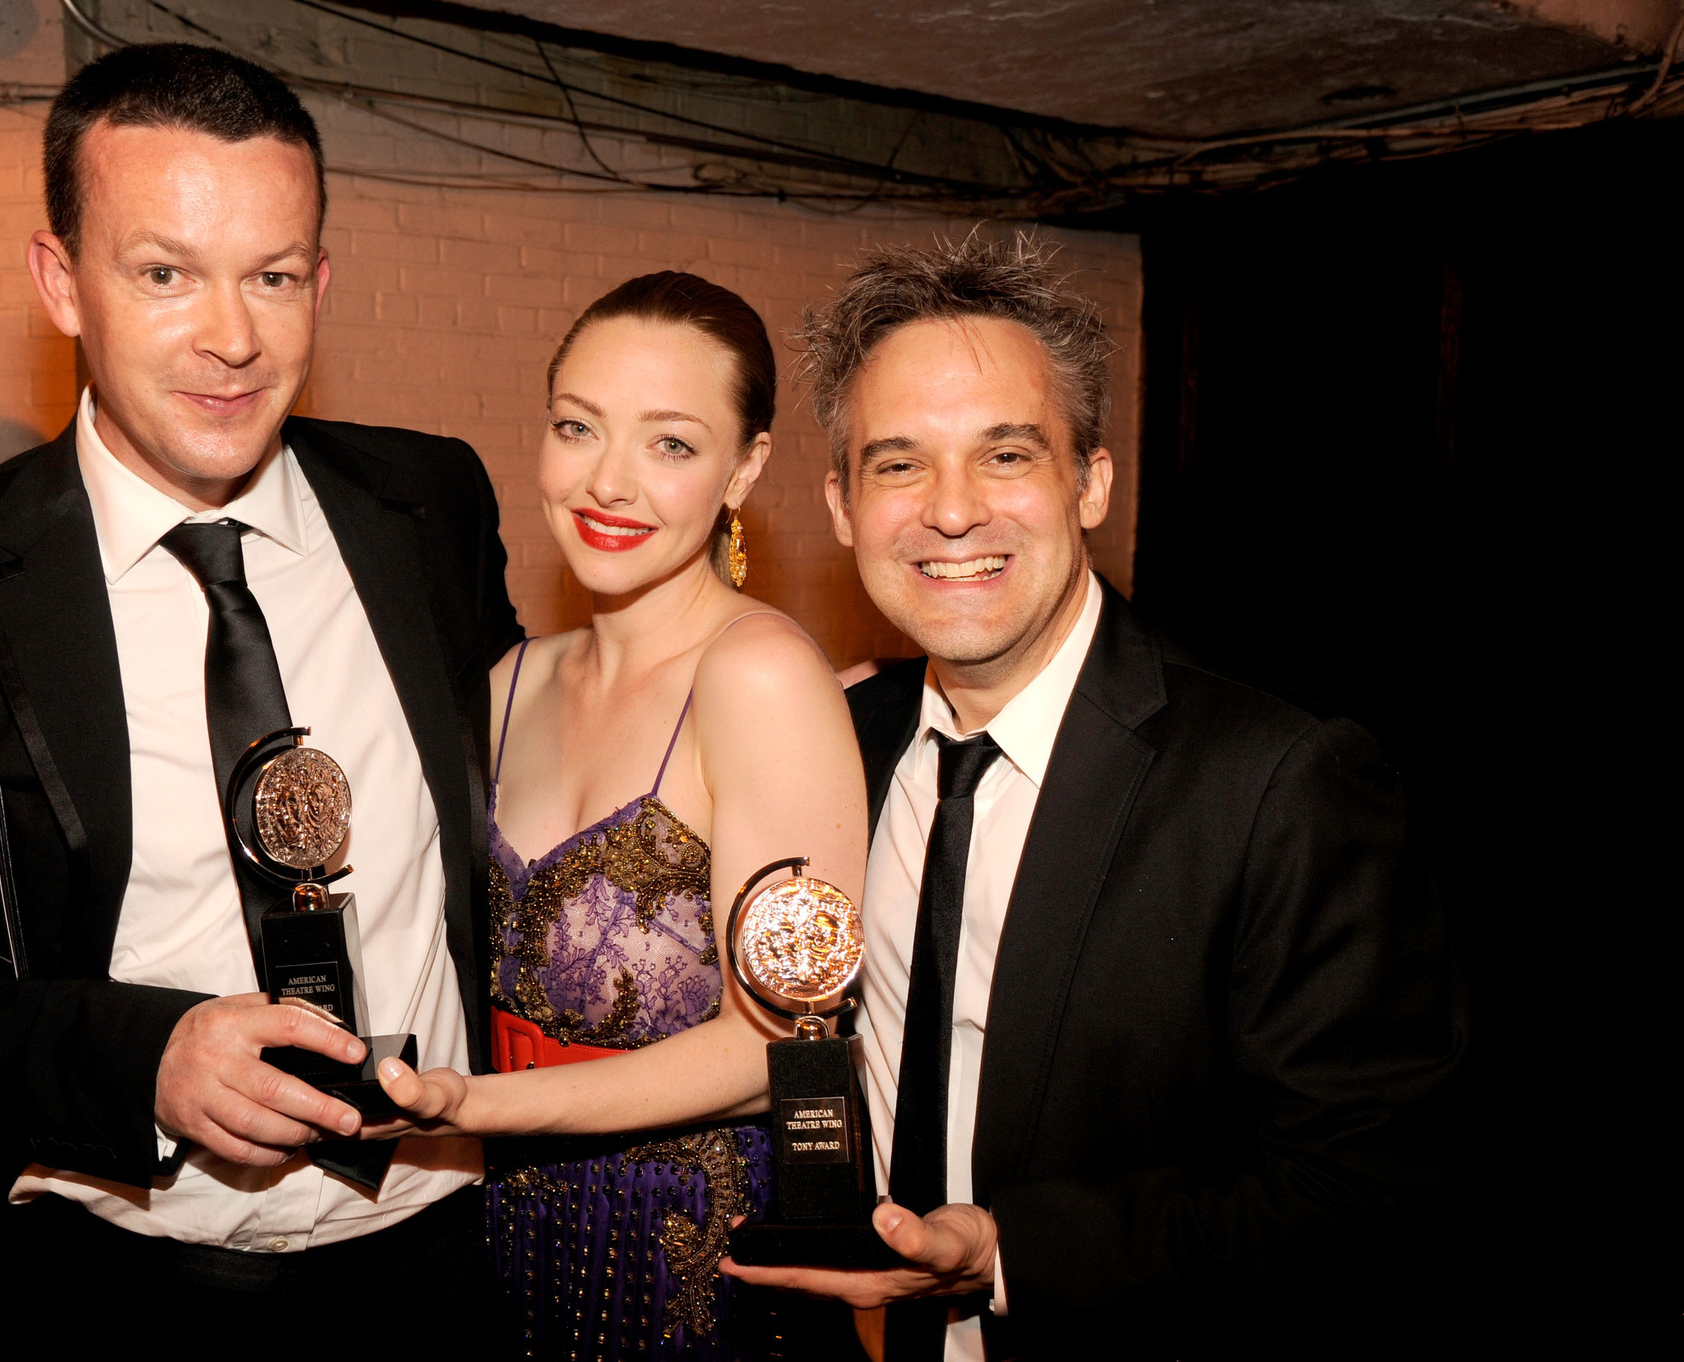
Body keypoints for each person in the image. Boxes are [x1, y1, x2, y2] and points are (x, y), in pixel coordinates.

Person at [0, 43, 522, 1353]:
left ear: (321, 279)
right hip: (110, 1292)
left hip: (437, 1269)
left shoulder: (430, 504)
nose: (232, 337)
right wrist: (143, 1057)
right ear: (61, 282)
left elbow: (527, 780)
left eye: (271, 276)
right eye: (163, 273)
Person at [720, 234, 1466, 1359]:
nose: (952, 511)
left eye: (1006, 455)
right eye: (897, 463)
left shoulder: (1274, 780)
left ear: (1091, 481)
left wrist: (1013, 1252)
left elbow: (1370, 1199)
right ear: (838, 504)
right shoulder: (837, 750)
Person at [368, 273, 870, 1359]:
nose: (608, 482)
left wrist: (475, 1108)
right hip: (493, 1233)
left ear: (743, 468)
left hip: (689, 1258)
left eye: (670, 445)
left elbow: (775, 1042)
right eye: (577, 427)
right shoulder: (505, 683)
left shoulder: (760, 676)